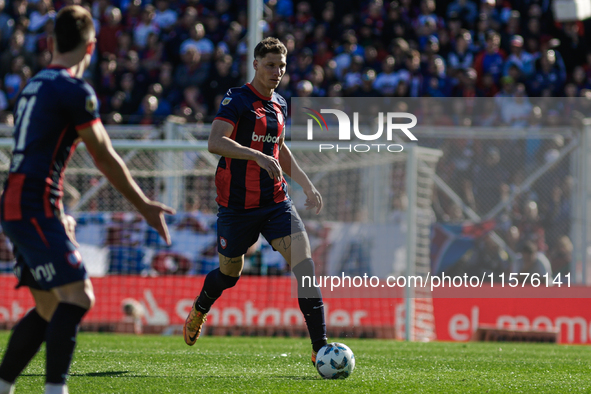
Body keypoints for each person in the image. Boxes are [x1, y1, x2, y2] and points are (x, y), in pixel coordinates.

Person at [0, 6, 174, 394]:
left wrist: (56, 209)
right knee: (80, 295)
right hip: (33, 204)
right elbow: (105, 156)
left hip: (19, 201)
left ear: (50, 43)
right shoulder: (73, 89)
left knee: (48, 307)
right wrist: (144, 205)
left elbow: (38, 151)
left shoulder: (33, 84)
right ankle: (55, 390)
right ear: (92, 47)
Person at [182, 37, 328, 366]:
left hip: (276, 202)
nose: (277, 72)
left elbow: (279, 149)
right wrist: (256, 156)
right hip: (236, 208)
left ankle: (321, 348)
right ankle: (200, 308)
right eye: (271, 65)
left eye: (282, 66)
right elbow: (215, 142)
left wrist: (305, 183)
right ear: (256, 65)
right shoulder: (237, 100)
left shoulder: (280, 104)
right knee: (230, 274)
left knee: (305, 267)